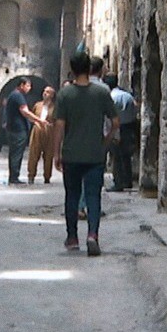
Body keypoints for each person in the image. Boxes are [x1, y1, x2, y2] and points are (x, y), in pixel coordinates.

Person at [52, 52, 117, 255]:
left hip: (71, 154)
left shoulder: (64, 95)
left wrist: (56, 153)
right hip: (95, 155)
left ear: (71, 69)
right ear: (89, 68)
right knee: (93, 196)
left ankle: (72, 237)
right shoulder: (101, 93)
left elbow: (59, 126)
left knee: (72, 196)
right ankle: (92, 235)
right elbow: (115, 123)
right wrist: (104, 143)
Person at [2, 78, 45, 184]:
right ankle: (14, 177)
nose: (29, 88)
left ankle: (13, 176)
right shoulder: (18, 96)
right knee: (16, 153)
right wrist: (39, 120)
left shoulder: (14, 95)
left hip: (14, 129)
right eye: (28, 86)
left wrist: (34, 121)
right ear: (22, 85)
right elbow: (25, 111)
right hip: (18, 130)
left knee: (14, 153)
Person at [104, 74, 138, 191]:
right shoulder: (127, 95)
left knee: (117, 156)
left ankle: (118, 182)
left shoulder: (112, 97)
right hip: (130, 126)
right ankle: (127, 180)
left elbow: (111, 117)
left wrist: (112, 132)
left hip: (118, 127)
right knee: (126, 155)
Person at [26, 85, 57, 183]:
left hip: (50, 131)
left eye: (47, 92)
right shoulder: (37, 105)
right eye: (44, 91)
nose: (45, 93)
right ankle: (31, 175)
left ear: (52, 95)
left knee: (48, 155)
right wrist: (35, 122)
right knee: (34, 153)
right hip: (38, 129)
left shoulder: (55, 107)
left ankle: (47, 176)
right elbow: (31, 116)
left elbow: (57, 120)